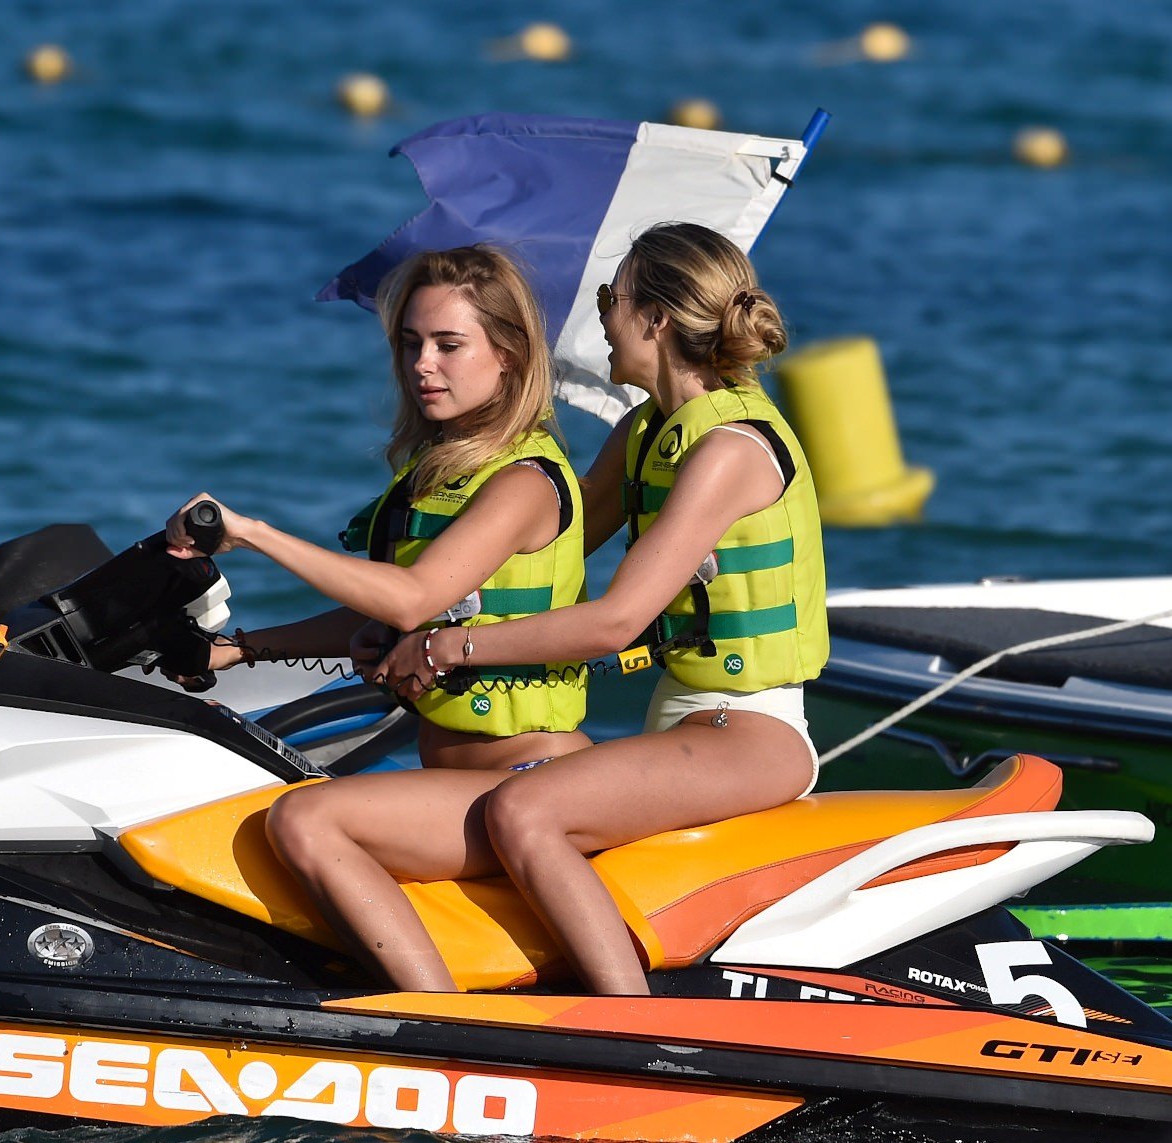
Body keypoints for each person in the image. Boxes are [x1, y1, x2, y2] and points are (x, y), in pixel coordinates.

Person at [277, 221, 827, 995]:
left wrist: (448, 649)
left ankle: (633, 1038)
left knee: (524, 813)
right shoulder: (648, 433)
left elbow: (614, 622)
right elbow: (546, 560)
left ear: (655, 319)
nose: (599, 318)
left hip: (751, 728)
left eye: (611, 298)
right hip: (684, 723)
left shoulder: (727, 449)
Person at [165, 245, 588, 774]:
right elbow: (387, 610)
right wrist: (237, 649)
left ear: (509, 352)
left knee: (305, 821)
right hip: (452, 771)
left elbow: (411, 601)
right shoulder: (441, 470)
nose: (422, 364)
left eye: (448, 345)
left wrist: (253, 534)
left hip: (527, 771)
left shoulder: (522, 482)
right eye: (412, 344)